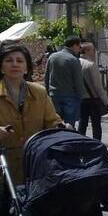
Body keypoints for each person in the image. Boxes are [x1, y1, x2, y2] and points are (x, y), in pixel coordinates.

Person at [0, 44, 63, 185]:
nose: (15, 64)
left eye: (20, 61)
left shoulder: (39, 92)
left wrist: (61, 127)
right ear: (1, 66)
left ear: (27, 67)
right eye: (9, 60)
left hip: (35, 166)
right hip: (4, 167)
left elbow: (52, 121)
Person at [44, 36, 84, 127]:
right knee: (69, 124)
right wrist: (80, 96)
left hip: (54, 95)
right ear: (74, 45)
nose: (80, 49)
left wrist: (47, 92)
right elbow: (78, 81)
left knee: (55, 123)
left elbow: (46, 76)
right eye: (79, 46)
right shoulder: (73, 60)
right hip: (70, 96)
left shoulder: (52, 57)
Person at [79, 42, 107, 141]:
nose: (94, 52)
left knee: (82, 123)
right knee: (96, 125)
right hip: (93, 99)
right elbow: (97, 85)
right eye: (92, 50)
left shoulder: (75, 62)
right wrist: (104, 99)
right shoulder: (90, 65)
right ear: (86, 51)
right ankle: (97, 144)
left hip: (80, 99)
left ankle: (80, 143)